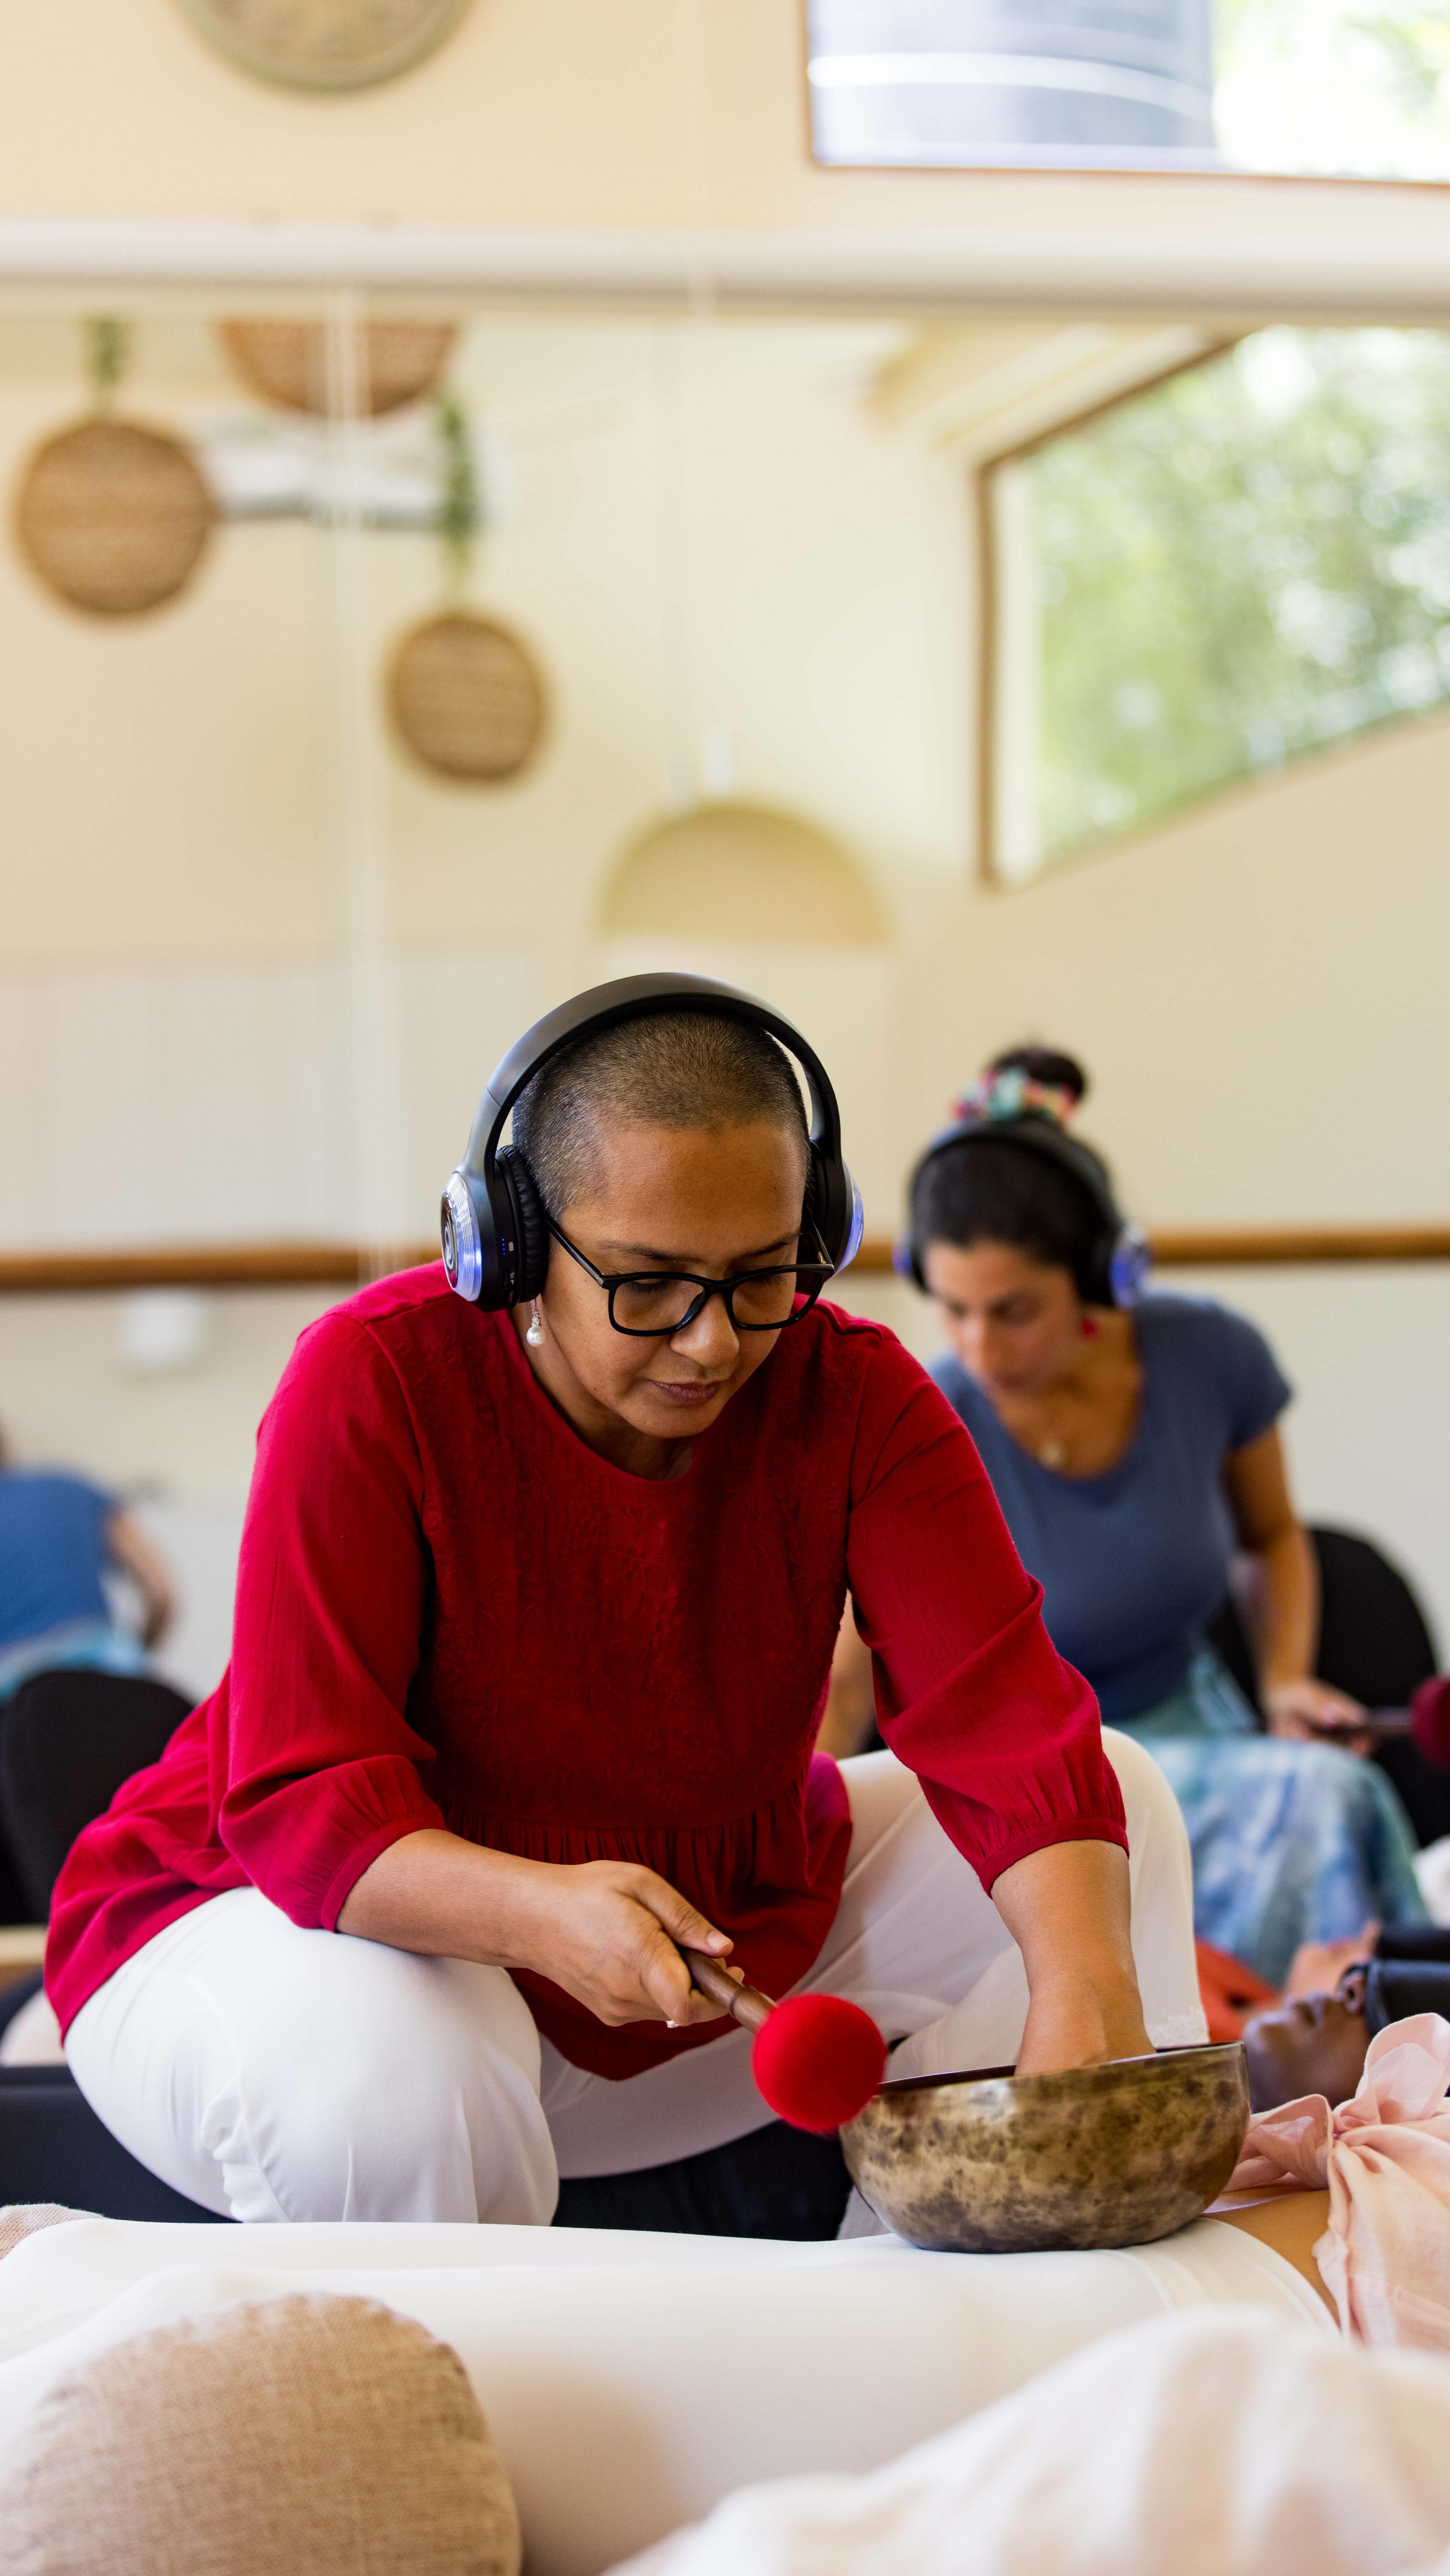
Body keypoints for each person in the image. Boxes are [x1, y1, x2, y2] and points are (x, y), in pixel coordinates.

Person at [45, 977, 1203, 2226]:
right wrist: (533, 1910)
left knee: (1117, 1808)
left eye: (763, 1275)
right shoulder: (370, 1382)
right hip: (277, 1929)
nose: (710, 1342)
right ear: (515, 1246)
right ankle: (449, 2411)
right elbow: (303, 1800)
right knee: (403, 2050)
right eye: (649, 1285)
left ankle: (955, 2330)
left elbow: (1007, 1714)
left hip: (677, 1969)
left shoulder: (857, 1396)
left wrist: (1089, 1997)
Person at [875, 1044, 1426, 1989]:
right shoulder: (932, 1411)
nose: (978, 1344)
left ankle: (1354, 2072)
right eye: (953, 1309)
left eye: (1013, 1310)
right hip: (1026, 1776)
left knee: (1332, 1797)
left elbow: (1273, 1538)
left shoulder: (1208, 1354)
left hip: (1195, 1726)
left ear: (1102, 1275)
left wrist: (1286, 1677)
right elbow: (866, 1655)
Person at [0, 1435, 173, 1703]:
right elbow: (161, 1593)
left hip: (12, 1695)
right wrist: (135, 1660)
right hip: (105, 1669)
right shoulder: (68, 1486)